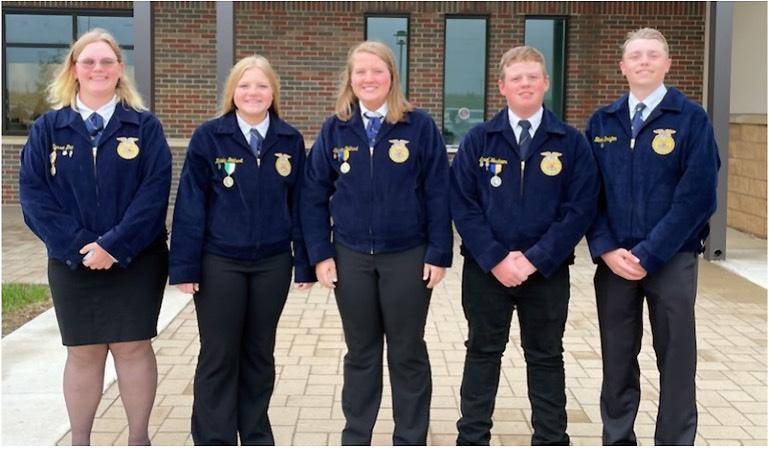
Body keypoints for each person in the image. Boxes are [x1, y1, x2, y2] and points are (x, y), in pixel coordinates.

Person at [18, 29, 171, 446]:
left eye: (107, 61)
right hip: (72, 261)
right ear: (74, 70)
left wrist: (114, 246)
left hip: (137, 260)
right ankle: (80, 441)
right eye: (89, 61)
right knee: (83, 351)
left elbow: (154, 194)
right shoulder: (49, 128)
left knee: (133, 348)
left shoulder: (145, 127)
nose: (98, 68)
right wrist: (81, 247)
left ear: (120, 70)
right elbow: (34, 197)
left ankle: (138, 439)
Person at [301, 41, 452, 445]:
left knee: (407, 352)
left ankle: (410, 437)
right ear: (350, 80)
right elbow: (312, 195)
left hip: (407, 255)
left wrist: (439, 252)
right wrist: (320, 255)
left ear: (391, 77)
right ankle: (357, 435)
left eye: (377, 71)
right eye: (360, 72)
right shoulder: (335, 128)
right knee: (362, 354)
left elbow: (439, 192)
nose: (368, 79)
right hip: (350, 257)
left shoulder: (418, 126)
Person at [451, 46, 599, 445]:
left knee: (547, 356)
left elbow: (580, 208)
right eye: (516, 78)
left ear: (546, 83)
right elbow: (462, 204)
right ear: (502, 86)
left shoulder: (570, 142)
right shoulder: (479, 139)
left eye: (533, 77)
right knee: (482, 352)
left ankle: (551, 439)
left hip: (546, 273)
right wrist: (496, 257)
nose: (526, 84)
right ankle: (473, 438)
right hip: (486, 272)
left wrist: (536, 258)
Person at [168, 55, 315, 445]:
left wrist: (305, 264)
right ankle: (214, 438)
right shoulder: (209, 137)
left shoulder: (289, 140)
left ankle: (254, 433)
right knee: (219, 354)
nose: (253, 93)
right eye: (245, 85)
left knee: (259, 354)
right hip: (220, 262)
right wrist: (184, 267)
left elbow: (301, 204)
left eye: (262, 86)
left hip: (272, 264)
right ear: (233, 91)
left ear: (273, 93)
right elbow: (190, 203)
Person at [585, 28, 720, 445]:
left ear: (667, 64)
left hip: (671, 260)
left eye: (652, 55)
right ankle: (618, 437)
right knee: (617, 357)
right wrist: (606, 248)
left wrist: (649, 251)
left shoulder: (691, 119)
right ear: (623, 67)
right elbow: (587, 195)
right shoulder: (602, 122)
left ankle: (675, 440)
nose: (643, 61)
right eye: (636, 56)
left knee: (677, 357)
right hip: (614, 265)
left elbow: (697, 196)